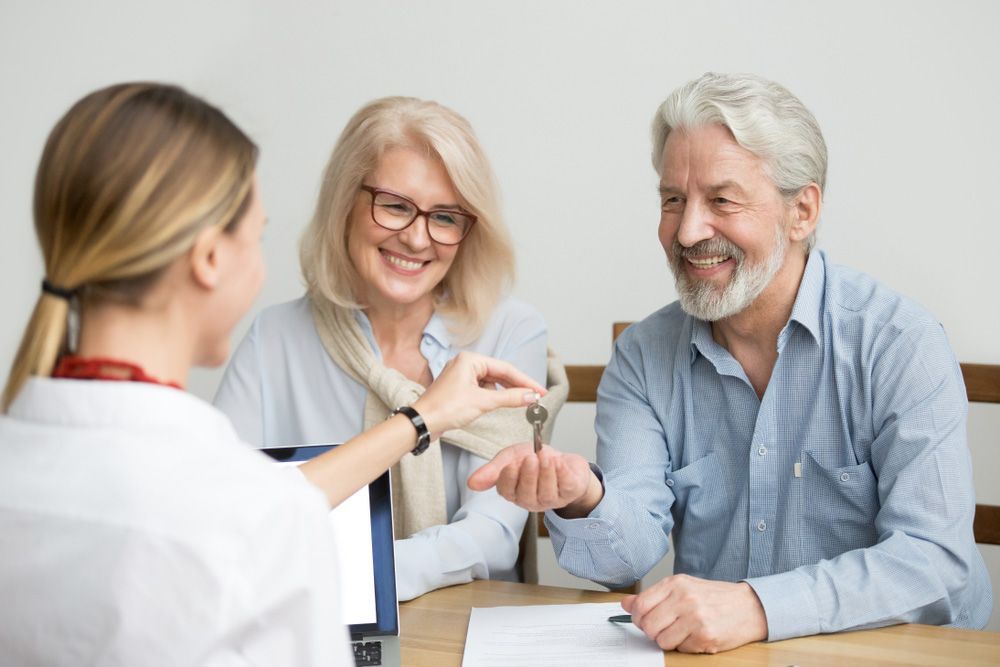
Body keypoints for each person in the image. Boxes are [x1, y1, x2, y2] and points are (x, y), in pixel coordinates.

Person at [0, 83, 545, 665]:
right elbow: (263, 515)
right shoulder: (246, 512)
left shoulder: (212, 495)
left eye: (444, 217)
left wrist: (419, 421)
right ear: (210, 259)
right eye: (256, 237)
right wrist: (422, 419)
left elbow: (263, 507)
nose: (416, 235)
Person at [470, 72, 992, 653]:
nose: (688, 231)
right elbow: (629, 555)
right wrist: (581, 496)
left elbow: (934, 561)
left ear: (803, 212)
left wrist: (759, 606)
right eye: (673, 200)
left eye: (721, 199)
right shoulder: (643, 356)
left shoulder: (899, 343)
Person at [214, 96, 566, 601]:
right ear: (345, 204)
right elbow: (226, 516)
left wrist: (350, 573)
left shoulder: (511, 331)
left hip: (460, 627)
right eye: (396, 206)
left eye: (445, 217)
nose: (418, 239)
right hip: (314, 624)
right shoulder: (274, 338)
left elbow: (491, 537)